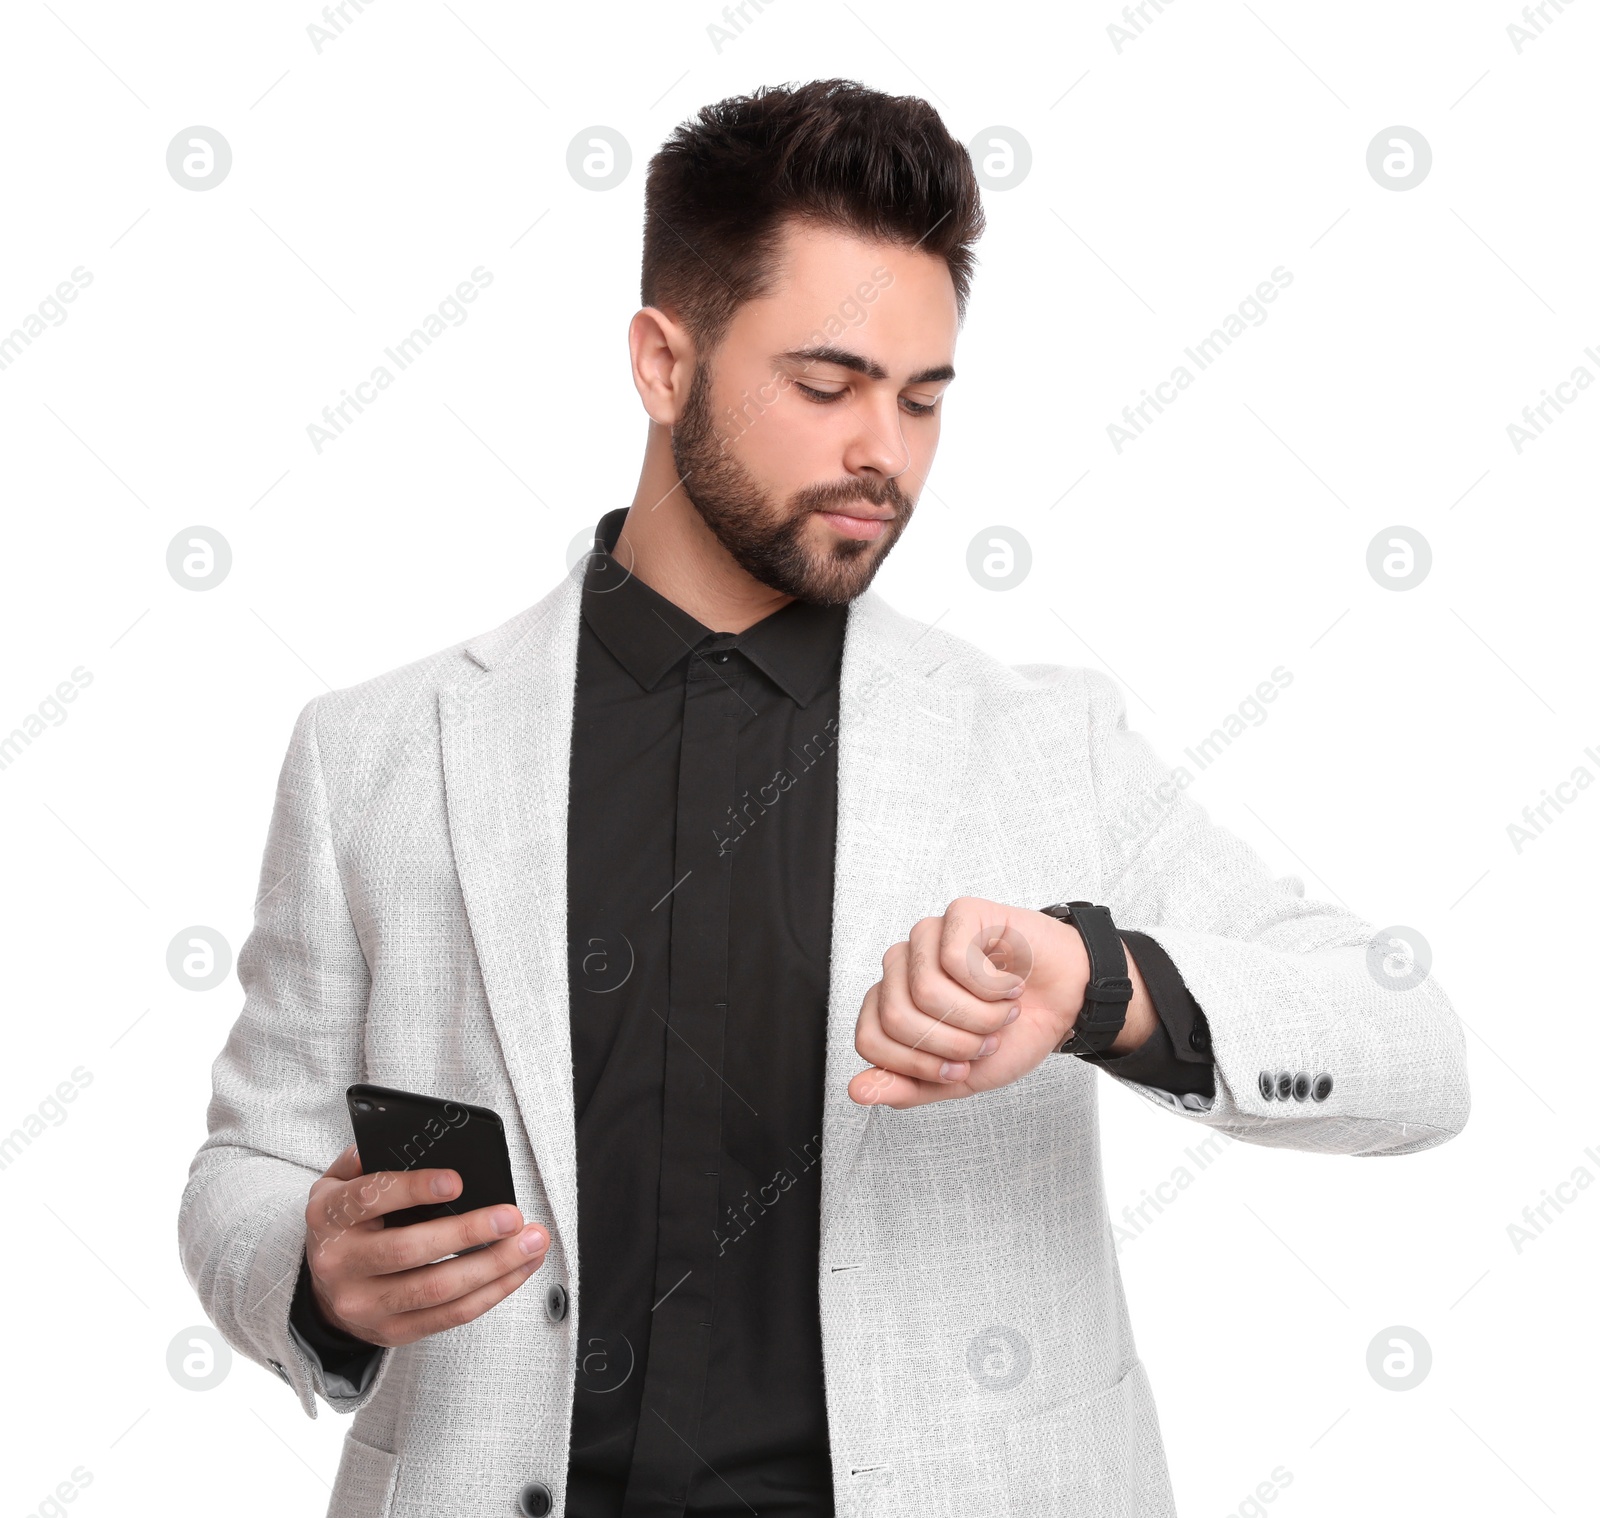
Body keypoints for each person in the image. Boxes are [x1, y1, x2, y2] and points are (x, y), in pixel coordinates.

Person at [178, 78, 1469, 1518]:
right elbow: (250, 1158)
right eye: (829, 383)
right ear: (664, 364)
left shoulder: (1044, 742)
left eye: (923, 399)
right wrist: (313, 1264)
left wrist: (1104, 984)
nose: (887, 455)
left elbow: (1410, 1049)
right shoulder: (377, 751)